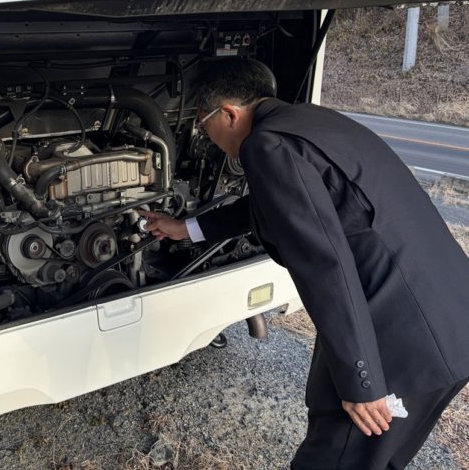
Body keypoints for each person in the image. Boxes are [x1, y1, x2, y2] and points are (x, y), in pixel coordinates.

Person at [141, 57, 469, 470]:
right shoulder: (312, 121)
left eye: (204, 124)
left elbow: (325, 266)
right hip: (449, 322)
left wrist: (362, 380)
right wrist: (186, 228)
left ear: (229, 114)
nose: (207, 137)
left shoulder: (265, 146)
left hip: (398, 346)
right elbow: (284, 204)